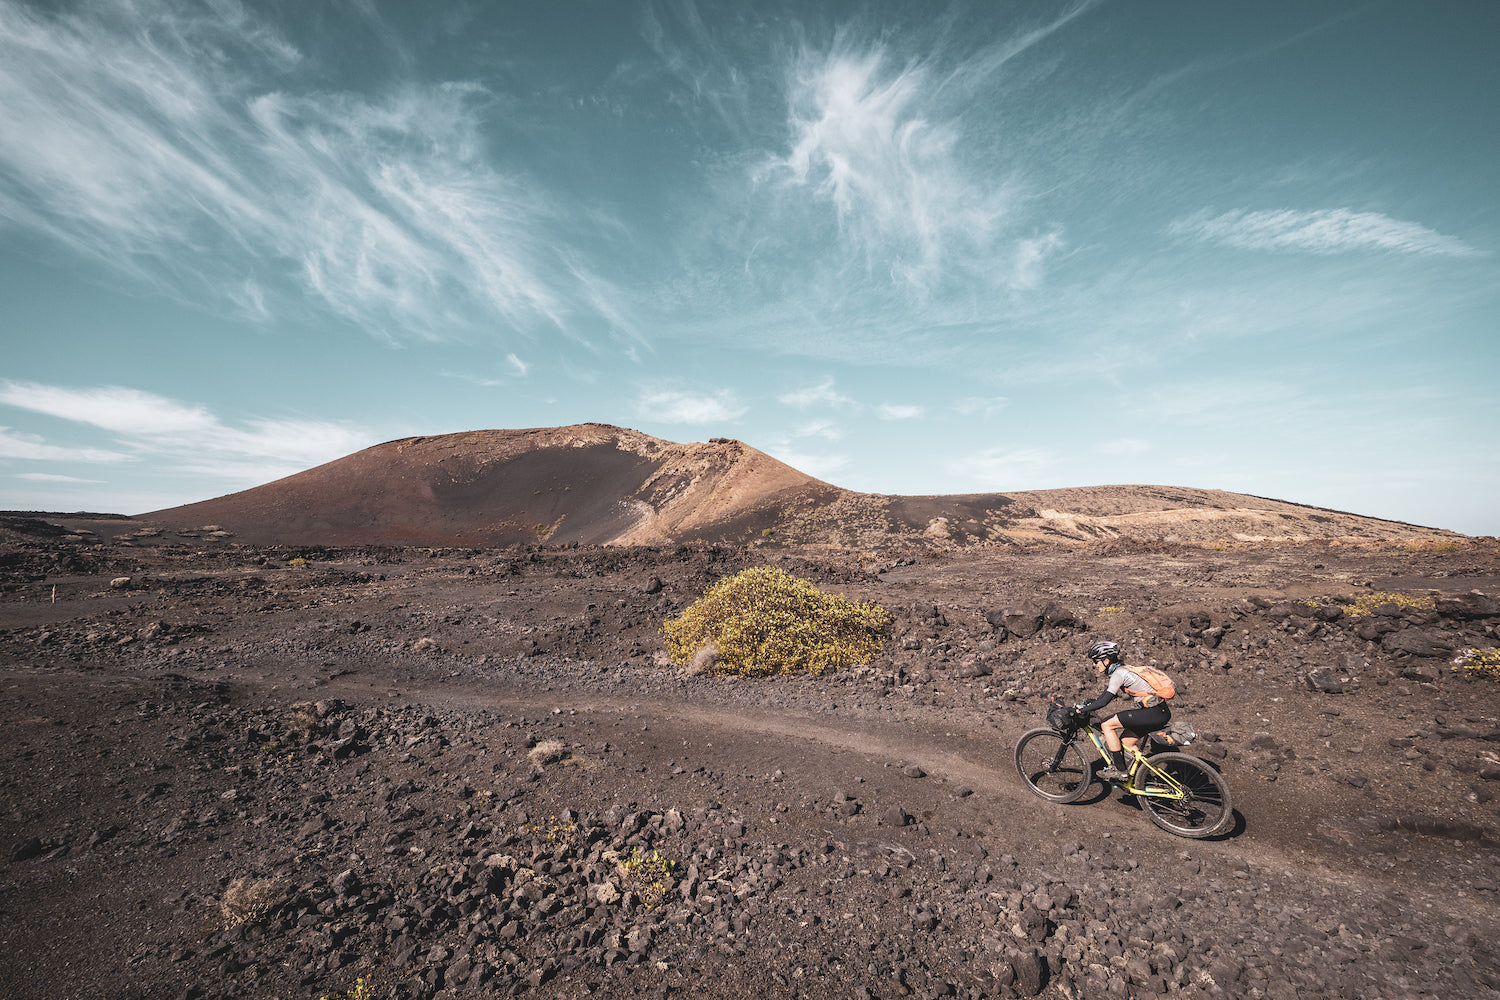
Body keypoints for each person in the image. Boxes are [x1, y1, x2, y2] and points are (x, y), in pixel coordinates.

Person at [1072, 639, 1173, 784]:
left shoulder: (1118, 674)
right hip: (1160, 712)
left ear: (1106, 660)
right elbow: (1106, 695)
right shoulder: (1124, 669)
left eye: (1096, 661)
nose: (1094, 665)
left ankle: (1120, 771)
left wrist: (1082, 709)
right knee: (1127, 744)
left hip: (1153, 713)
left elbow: (1105, 701)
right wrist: (1091, 704)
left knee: (1107, 724)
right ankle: (1144, 779)